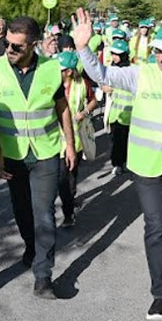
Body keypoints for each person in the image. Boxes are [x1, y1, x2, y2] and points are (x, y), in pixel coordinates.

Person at [73, 8, 162, 320]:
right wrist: (83, 47)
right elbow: (103, 75)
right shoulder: (142, 74)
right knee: (154, 225)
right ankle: (160, 294)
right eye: (158, 52)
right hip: (146, 167)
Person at [0, 16, 76, 299]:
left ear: (34, 45)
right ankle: (31, 246)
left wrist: (69, 144)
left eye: (17, 47)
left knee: (44, 214)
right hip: (12, 155)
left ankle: (43, 276)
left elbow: (63, 109)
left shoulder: (50, 69)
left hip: (46, 152)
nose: (9, 50)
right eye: (7, 44)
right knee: (22, 211)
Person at [57, 51, 97, 227]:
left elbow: (93, 100)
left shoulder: (82, 84)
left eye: (62, 69)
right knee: (61, 178)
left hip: (77, 138)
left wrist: (85, 112)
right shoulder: (52, 84)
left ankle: (69, 208)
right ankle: (68, 209)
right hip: (56, 140)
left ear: (69, 71)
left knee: (71, 177)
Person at [101, 39, 133, 176]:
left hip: (128, 114)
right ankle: (117, 163)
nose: (114, 56)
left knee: (125, 141)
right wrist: (104, 88)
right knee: (115, 141)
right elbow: (102, 81)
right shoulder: (111, 69)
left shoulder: (132, 70)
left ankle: (124, 162)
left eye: (117, 54)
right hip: (114, 113)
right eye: (113, 53)